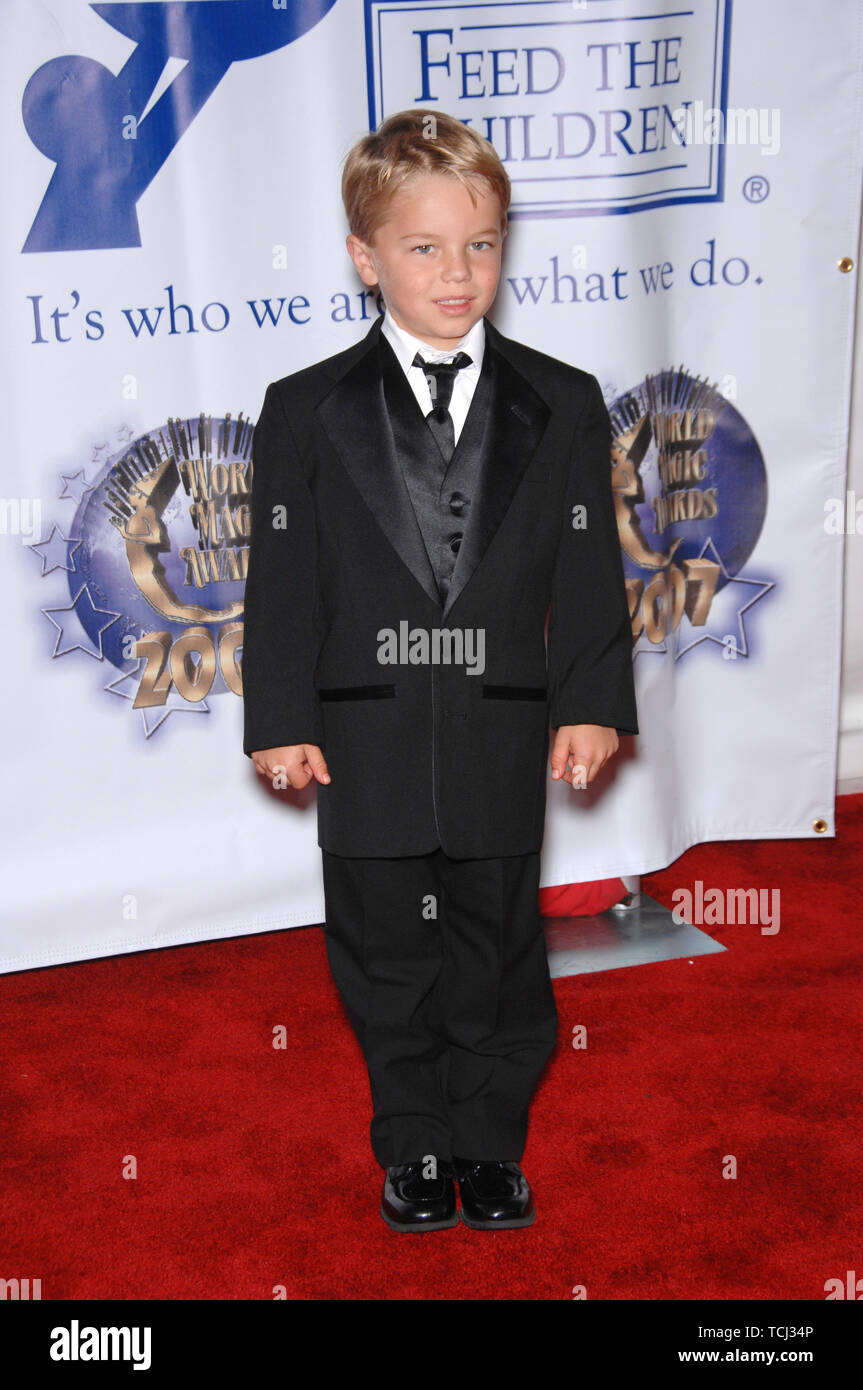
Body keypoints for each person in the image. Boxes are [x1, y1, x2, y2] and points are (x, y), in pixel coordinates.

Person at [241, 108, 638, 1233]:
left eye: (481, 243)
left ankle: (489, 1143)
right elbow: (283, 585)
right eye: (422, 248)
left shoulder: (559, 400)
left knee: (499, 951)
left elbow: (587, 564)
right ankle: (413, 1142)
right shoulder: (303, 410)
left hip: (501, 729)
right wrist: (278, 714)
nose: (458, 273)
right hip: (358, 731)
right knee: (384, 955)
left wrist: (591, 701)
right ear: (364, 259)